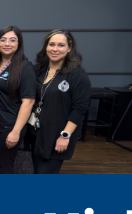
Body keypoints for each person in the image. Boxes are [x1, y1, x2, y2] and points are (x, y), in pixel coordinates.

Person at [31, 31, 92, 174]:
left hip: (57, 135)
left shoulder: (77, 75)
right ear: (46, 46)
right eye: (51, 44)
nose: (55, 49)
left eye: (61, 45)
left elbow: (79, 109)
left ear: (69, 48)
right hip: (36, 133)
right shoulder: (39, 70)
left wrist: (65, 136)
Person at [0, 26, 36, 174]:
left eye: (12, 40)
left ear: (19, 44)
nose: (7, 43)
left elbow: (28, 102)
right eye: (3, 39)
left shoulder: (24, 68)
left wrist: (16, 131)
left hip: (8, 127)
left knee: (3, 169)